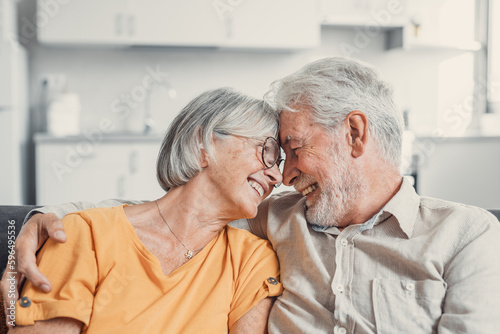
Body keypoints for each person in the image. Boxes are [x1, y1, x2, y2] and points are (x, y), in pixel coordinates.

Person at [4, 57, 500, 333]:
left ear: (354, 133)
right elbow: (165, 214)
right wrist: (40, 218)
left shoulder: (465, 235)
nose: (283, 173)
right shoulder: (277, 220)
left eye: (290, 148)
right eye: (271, 152)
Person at [3, 87, 284, 333]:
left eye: (279, 162)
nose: (277, 176)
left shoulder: (253, 261)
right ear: (204, 143)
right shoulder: (83, 234)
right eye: (267, 152)